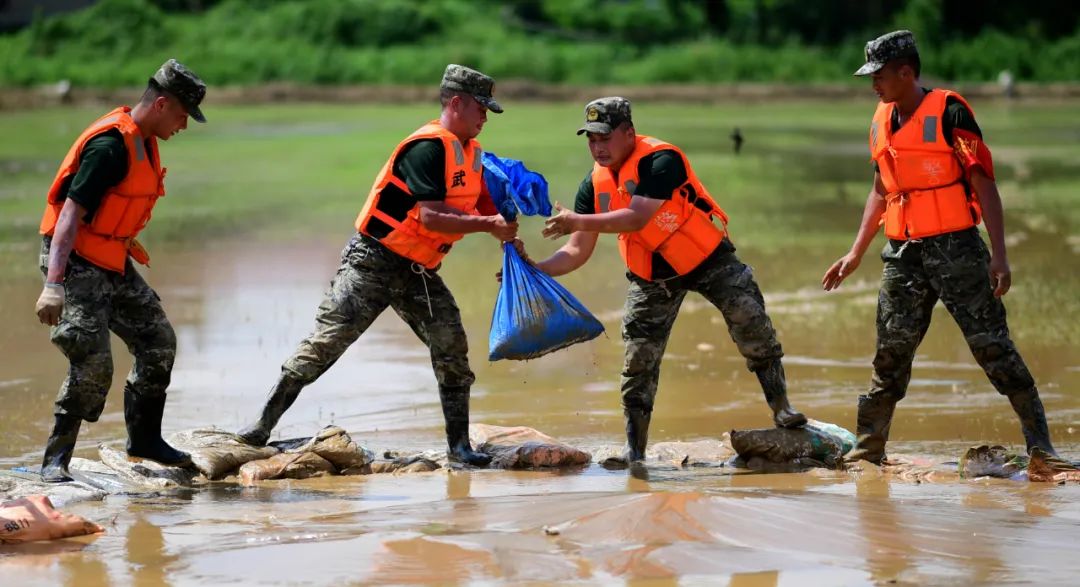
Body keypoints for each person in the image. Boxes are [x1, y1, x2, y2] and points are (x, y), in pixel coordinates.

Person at [237, 65, 516, 467]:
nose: (486, 117)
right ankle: (261, 427)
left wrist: (511, 243)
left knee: (452, 346)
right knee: (325, 344)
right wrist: (489, 226)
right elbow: (432, 217)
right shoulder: (428, 148)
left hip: (419, 273)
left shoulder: (472, 156)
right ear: (457, 103)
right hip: (373, 263)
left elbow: (487, 211)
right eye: (481, 108)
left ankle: (459, 447)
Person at [821, 30, 1057, 464]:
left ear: (906, 72)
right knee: (890, 353)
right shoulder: (880, 117)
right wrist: (855, 252)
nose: (873, 85)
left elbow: (984, 184)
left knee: (992, 346)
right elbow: (881, 188)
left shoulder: (950, 112)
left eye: (880, 76)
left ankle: (1041, 446)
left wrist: (1000, 254)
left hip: (957, 249)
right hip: (902, 253)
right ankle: (868, 449)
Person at [533, 97, 807, 465]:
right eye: (591, 139)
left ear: (629, 133)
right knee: (638, 362)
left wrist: (576, 221)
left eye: (605, 137)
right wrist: (535, 267)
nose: (597, 147)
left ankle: (782, 408)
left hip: (708, 261)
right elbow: (577, 251)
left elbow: (635, 217)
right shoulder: (593, 185)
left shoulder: (661, 160)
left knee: (751, 322)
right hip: (652, 278)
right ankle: (636, 452)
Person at [34, 59, 206, 482]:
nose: (183, 126)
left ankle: (144, 439)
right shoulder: (110, 147)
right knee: (92, 362)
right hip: (74, 261)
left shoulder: (146, 141)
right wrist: (53, 285)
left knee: (157, 339)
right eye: (183, 116)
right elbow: (70, 216)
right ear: (162, 104)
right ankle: (55, 461)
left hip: (112, 260)